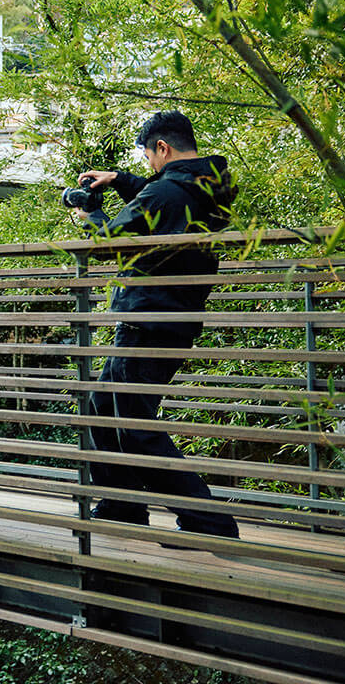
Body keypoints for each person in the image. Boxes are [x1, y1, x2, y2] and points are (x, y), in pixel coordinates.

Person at [72, 110, 240, 541]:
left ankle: (209, 522)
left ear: (162, 148)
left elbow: (110, 241)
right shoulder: (210, 188)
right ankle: (122, 504)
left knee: (132, 422)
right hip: (175, 316)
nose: (148, 165)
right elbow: (164, 195)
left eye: (149, 157)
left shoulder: (166, 193)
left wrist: (90, 216)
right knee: (102, 407)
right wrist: (121, 179)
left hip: (147, 316)